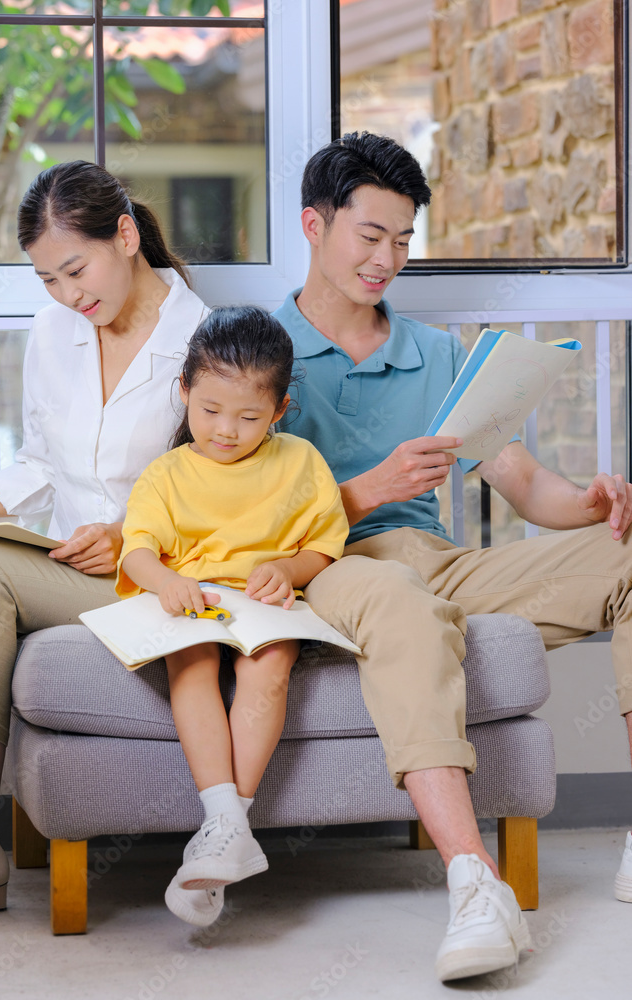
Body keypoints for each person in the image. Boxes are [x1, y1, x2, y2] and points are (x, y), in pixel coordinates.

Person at [272, 131, 632, 983]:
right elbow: (245, 522)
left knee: (623, 552)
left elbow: (525, 484)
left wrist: (591, 503)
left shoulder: (436, 355)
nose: (386, 259)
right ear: (314, 226)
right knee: (399, 594)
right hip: (331, 569)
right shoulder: (257, 346)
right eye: (370, 236)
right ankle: (477, 884)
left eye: (402, 240)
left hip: (439, 562)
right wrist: (370, 486)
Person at [0, 160, 209, 923]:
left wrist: (130, 533)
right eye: (48, 280)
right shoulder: (55, 327)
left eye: (75, 269)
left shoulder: (202, 335)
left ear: (125, 235)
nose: (69, 294)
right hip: (67, 563)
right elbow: (37, 462)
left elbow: (224, 486)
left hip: (147, 573)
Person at [116, 306, 348, 926]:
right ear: (185, 389)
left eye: (249, 418)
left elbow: (324, 544)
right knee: (190, 665)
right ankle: (227, 822)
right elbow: (136, 548)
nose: (225, 430)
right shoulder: (167, 474)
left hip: (263, 606)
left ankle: (223, 833)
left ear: (279, 410)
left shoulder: (298, 462)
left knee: (270, 662)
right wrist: (167, 582)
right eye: (210, 410)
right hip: (192, 599)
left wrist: (289, 571)